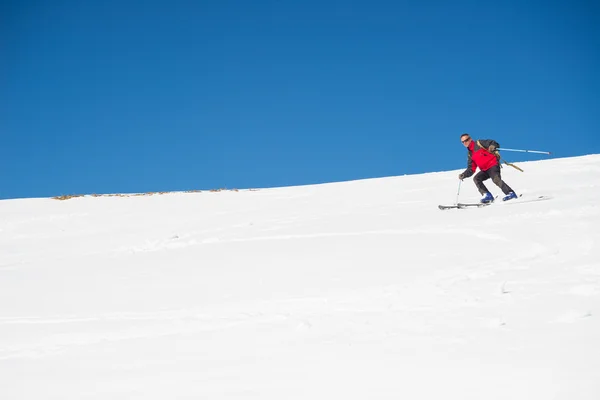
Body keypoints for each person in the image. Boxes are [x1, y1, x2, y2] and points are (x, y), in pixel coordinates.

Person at [458, 133, 518, 203]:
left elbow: (492, 143)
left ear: (470, 139)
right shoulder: (470, 154)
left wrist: (492, 146)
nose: (465, 142)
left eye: (466, 140)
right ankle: (487, 195)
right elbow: (471, 168)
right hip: (485, 170)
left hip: (492, 165)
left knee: (496, 179)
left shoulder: (479, 143)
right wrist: (464, 174)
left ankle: (510, 193)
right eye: (463, 142)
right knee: (476, 179)